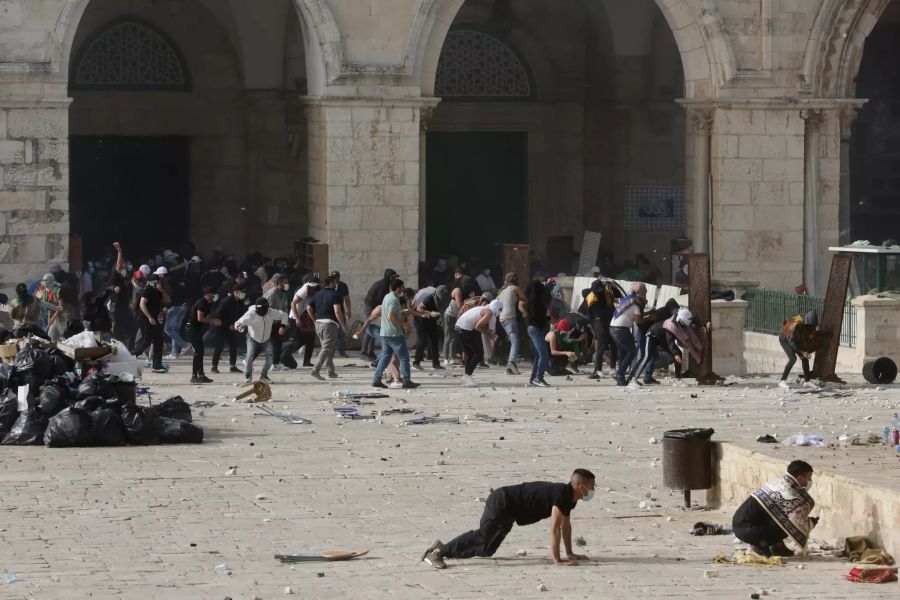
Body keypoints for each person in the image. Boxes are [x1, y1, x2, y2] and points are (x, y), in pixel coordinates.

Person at [421, 469, 596, 569]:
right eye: (592, 486)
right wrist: (558, 560)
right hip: (503, 502)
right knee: (483, 537)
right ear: (581, 487)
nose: (594, 489)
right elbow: (555, 529)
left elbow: (566, 526)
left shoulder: (569, 498)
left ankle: (443, 549)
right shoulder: (562, 495)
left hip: (509, 508)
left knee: (487, 549)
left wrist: (570, 553)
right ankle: (438, 552)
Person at [732, 460, 817, 558]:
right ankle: (760, 544)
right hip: (748, 530)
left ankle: (777, 546)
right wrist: (810, 523)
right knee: (789, 524)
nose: (810, 480)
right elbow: (796, 522)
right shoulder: (789, 493)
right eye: (809, 477)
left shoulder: (778, 483)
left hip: (740, 525)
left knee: (780, 516)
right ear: (800, 478)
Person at [371, 279, 420, 389]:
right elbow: (391, 316)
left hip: (385, 332)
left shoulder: (387, 297)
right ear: (398, 288)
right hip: (394, 333)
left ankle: (377, 379)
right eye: (402, 287)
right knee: (404, 358)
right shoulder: (394, 300)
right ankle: (406, 381)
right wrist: (404, 324)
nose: (403, 289)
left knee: (385, 356)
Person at [235, 297, 289, 383]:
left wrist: (283, 326)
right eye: (261, 311)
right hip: (252, 337)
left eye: (265, 310)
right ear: (257, 309)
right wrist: (239, 327)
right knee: (249, 355)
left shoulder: (271, 311)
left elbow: (284, 315)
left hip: (266, 339)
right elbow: (238, 322)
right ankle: (248, 376)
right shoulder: (250, 314)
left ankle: (264, 376)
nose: (263, 313)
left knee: (270, 357)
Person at [628, 299, 682, 384]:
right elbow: (666, 331)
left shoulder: (663, 311)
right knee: (646, 357)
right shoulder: (665, 313)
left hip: (652, 334)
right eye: (675, 309)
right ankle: (633, 378)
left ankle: (646, 377)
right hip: (647, 334)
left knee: (652, 356)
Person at [454, 299, 502, 387]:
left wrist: (490, 334)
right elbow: (478, 326)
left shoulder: (484, 308)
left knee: (472, 353)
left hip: (459, 328)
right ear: (498, 309)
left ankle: (466, 377)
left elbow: (478, 324)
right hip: (465, 329)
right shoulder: (489, 312)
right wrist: (491, 335)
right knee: (478, 354)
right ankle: (468, 377)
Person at [609, 283, 648, 386]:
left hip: (613, 327)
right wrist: (651, 317)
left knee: (623, 352)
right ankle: (620, 374)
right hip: (621, 329)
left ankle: (620, 378)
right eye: (645, 291)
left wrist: (647, 314)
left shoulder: (628, 299)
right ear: (642, 293)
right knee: (632, 352)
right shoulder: (636, 303)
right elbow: (638, 321)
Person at [310, 275, 347, 380]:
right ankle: (315, 370)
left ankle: (331, 372)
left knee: (328, 348)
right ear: (331, 283)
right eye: (335, 283)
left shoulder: (317, 294)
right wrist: (343, 325)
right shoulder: (334, 295)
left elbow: (309, 308)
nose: (336, 285)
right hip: (329, 325)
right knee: (327, 348)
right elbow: (337, 311)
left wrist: (314, 320)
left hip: (319, 324)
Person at [361, 269, 398, 359]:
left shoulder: (385, 283)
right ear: (390, 277)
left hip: (373, 306)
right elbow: (379, 300)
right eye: (394, 277)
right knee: (370, 328)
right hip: (370, 306)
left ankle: (370, 351)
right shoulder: (384, 285)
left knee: (373, 327)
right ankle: (364, 352)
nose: (395, 279)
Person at [134, 274, 167, 373]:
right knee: (147, 340)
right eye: (157, 282)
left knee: (159, 340)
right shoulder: (148, 290)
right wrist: (149, 317)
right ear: (153, 282)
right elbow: (142, 304)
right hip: (146, 318)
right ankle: (131, 356)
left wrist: (161, 290)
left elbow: (167, 300)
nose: (159, 284)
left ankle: (157, 365)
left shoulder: (158, 292)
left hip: (154, 318)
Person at [778, 311, 820, 389]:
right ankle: (782, 381)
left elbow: (803, 338)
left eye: (813, 326)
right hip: (785, 338)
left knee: (804, 358)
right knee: (792, 358)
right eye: (811, 326)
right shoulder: (796, 326)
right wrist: (802, 352)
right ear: (806, 323)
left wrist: (805, 352)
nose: (812, 328)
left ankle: (807, 382)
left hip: (795, 339)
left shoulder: (806, 324)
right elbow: (792, 342)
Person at [412, 285, 449, 371]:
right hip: (423, 320)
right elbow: (419, 308)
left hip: (432, 322)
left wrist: (440, 319)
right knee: (422, 341)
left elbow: (442, 310)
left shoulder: (444, 299)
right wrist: (430, 313)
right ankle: (416, 363)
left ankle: (436, 364)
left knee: (434, 342)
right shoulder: (430, 298)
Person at [210, 285, 246, 374]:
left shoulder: (239, 301)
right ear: (235, 292)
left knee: (233, 346)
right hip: (221, 326)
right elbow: (218, 315)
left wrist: (238, 324)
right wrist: (227, 325)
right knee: (219, 346)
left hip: (231, 326)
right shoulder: (227, 301)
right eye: (241, 292)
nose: (243, 294)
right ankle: (214, 366)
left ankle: (232, 366)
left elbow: (238, 314)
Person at [523, 275, 551, 387]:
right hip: (535, 328)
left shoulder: (531, 300)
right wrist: (547, 318)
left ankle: (533, 378)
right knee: (543, 354)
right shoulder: (536, 301)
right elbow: (537, 316)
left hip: (533, 328)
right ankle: (539, 378)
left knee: (538, 355)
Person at [189, 286, 221, 384]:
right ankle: (194, 376)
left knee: (201, 352)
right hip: (192, 329)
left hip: (198, 330)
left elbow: (207, 315)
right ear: (207, 294)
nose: (215, 296)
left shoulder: (208, 303)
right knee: (198, 352)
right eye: (213, 294)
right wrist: (213, 320)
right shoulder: (202, 303)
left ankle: (201, 375)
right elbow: (200, 318)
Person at [498, 273, 526, 375]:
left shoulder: (501, 292)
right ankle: (511, 364)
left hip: (502, 319)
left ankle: (510, 367)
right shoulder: (514, 288)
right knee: (515, 341)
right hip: (510, 318)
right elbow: (524, 299)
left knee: (512, 340)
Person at [264, 273, 292, 369]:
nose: (287, 284)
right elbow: (269, 310)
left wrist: (284, 322)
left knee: (278, 343)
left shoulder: (283, 293)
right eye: (285, 282)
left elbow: (284, 308)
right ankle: (274, 364)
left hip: (277, 321)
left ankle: (275, 363)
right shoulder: (272, 293)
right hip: (269, 322)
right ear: (279, 283)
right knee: (274, 343)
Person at [331, 271, 352, 358]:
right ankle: (330, 352)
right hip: (330, 311)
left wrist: (349, 310)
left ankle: (342, 352)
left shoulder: (343, 286)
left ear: (339, 278)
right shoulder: (329, 285)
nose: (335, 280)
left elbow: (347, 298)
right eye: (334, 278)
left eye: (336, 278)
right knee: (331, 333)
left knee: (341, 332)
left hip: (340, 311)